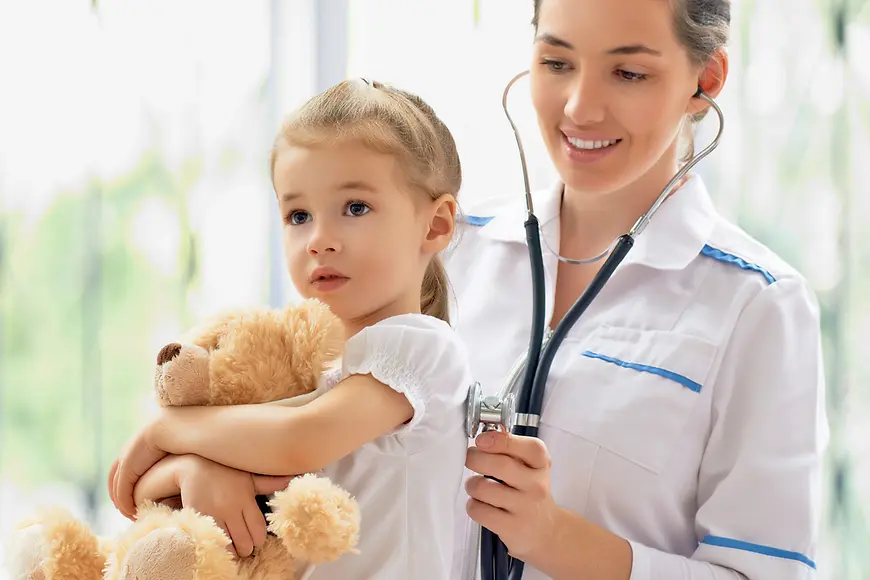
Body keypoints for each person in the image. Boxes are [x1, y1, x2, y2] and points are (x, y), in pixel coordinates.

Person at [447, 0, 828, 579]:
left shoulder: (759, 305)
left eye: (628, 73)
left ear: (706, 81)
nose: (580, 107)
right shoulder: (447, 250)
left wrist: (555, 539)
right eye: (556, 62)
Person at [108, 78, 473, 579]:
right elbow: (142, 492)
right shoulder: (299, 370)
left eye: (355, 208)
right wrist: (195, 468)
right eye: (298, 215)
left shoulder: (424, 348)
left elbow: (301, 440)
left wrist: (169, 429)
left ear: (434, 225)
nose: (319, 240)